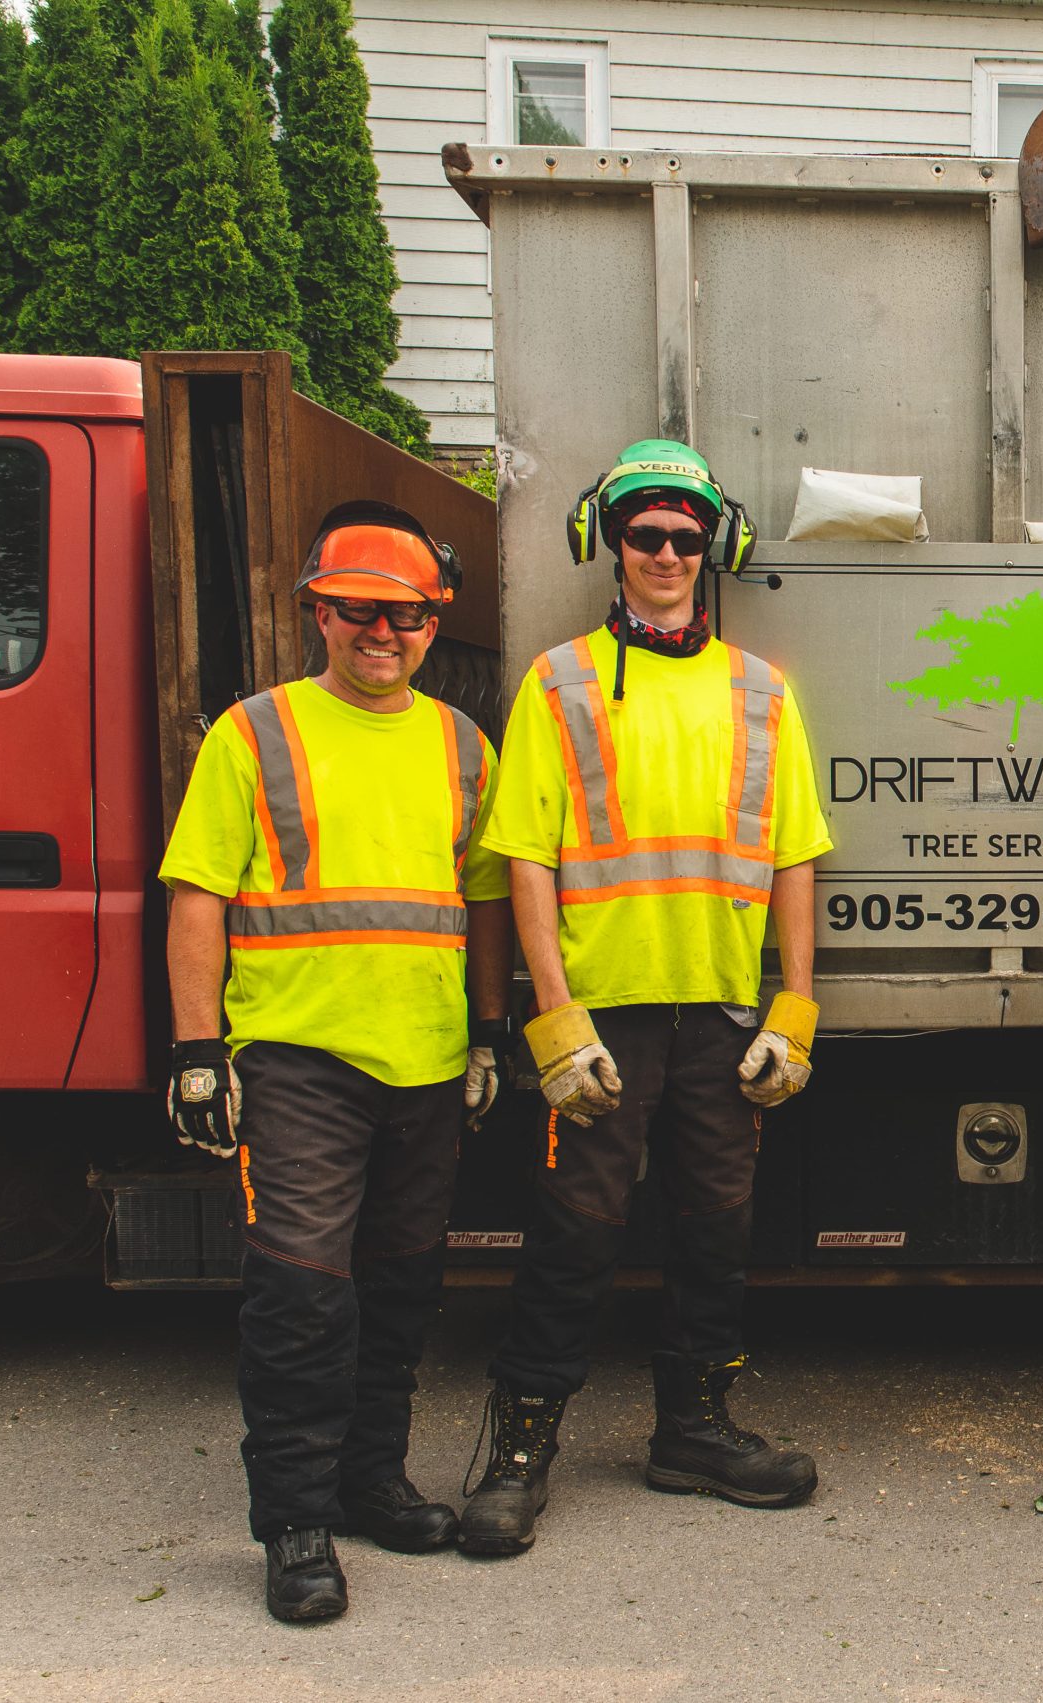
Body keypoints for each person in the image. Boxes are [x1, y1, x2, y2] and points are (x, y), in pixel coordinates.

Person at [458, 440, 832, 1557]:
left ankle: (696, 1430)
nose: (666, 554)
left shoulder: (763, 691)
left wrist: (796, 1005)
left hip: (720, 1014)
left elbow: (795, 858)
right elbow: (525, 856)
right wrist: (552, 1019)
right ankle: (519, 1448)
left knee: (715, 1233)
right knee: (574, 1236)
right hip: (607, 1018)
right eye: (644, 535)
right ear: (608, 546)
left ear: (714, 548)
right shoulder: (559, 682)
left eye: (685, 536)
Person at [158, 502, 512, 1622]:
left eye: (405, 614)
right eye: (358, 609)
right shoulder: (253, 733)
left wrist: (491, 1032)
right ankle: (296, 1523)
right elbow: (196, 896)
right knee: (302, 1297)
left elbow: (485, 901)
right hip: (300, 1058)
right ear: (317, 610)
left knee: (401, 1290)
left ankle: (370, 1481)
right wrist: (196, 1050)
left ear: (431, 623)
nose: (382, 631)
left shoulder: (463, 743)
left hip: (424, 1062)